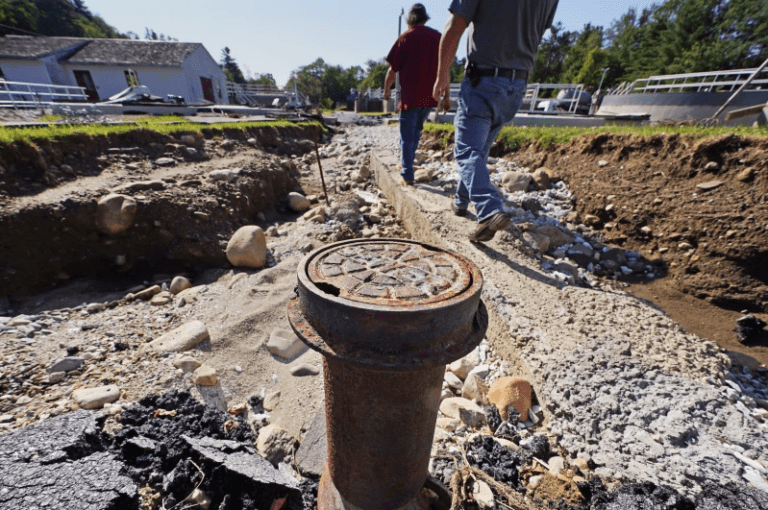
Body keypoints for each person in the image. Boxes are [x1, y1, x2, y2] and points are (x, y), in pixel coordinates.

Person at [432, 0, 560, 242]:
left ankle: (489, 210)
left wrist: (442, 74)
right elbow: (537, 30)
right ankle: (460, 202)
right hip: (518, 83)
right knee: (478, 149)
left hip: (484, 78)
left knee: (467, 149)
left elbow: (455, 25)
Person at [384, 3, 442, 185]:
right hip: (430, 96)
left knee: (406, 136)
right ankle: (407, 165)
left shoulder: (405, 38)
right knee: (416, 132)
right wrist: (445, 95)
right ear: (425, 18)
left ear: (409, 19)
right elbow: (445, 69)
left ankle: (407, 174)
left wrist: (386, 90)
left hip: (411, 97)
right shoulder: (438, 37)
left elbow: (392, 71)